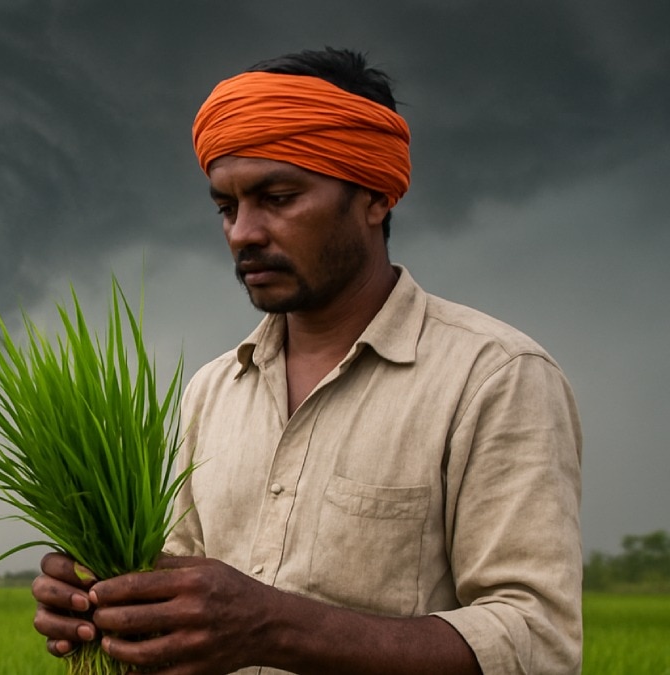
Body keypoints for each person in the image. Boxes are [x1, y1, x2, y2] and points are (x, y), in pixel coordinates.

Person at [31, 47, 583, 675]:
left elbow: (538, 643)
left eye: (279, 197)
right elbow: (183, 614)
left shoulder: (494, 377)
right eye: (225, 207)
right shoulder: (214, 390)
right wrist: (106, 606)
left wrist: (274, 627)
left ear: (375, 196)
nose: (243, 232)